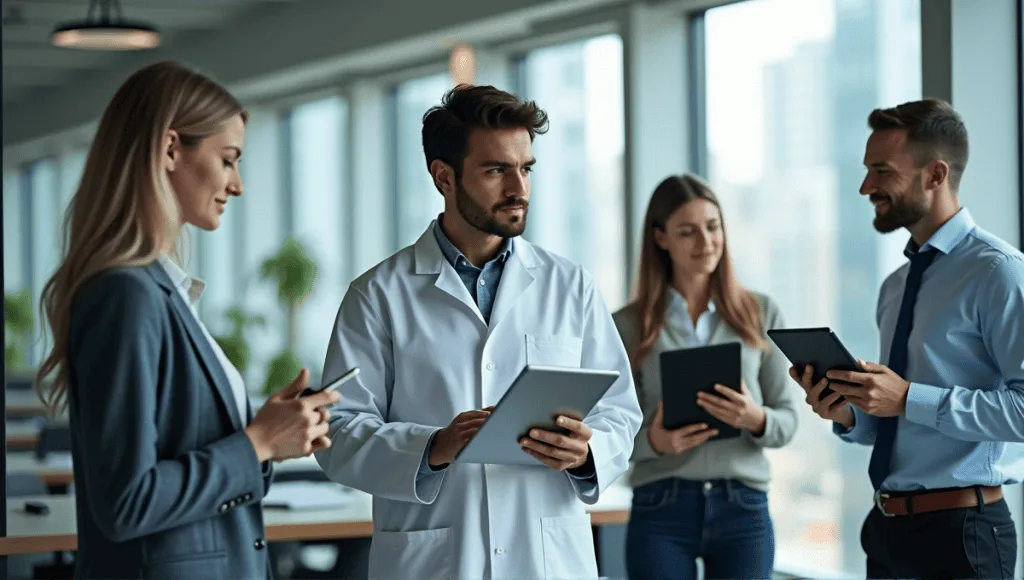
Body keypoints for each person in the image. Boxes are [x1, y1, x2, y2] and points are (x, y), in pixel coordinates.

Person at [314, 84, 642, 579]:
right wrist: (433, 446)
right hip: (436, 561)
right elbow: (338, 435)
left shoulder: (569, 286)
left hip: (546, 560)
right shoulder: (378, 295)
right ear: (444, 176)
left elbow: (619, 411)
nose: (519, 188)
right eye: (496, 170)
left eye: (526, 168)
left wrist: (586, 452)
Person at [34, 61, 339, 580]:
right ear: (171, 149)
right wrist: (258, 442)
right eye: (227, 160)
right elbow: (127, 502)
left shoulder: (158, 290)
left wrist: (267, 437)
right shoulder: (125, 295)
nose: (237, 185)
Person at [793, 98, 1024, 579]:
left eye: (881, 171)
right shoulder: (895, 286)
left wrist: (908, 398)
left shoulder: (997, 273)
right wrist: (849, 411)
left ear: (935, 175)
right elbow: (897, 420)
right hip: (887, 531)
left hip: (965, 534)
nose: (865, 187)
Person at [612, 174, 799, 580]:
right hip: (660, 507)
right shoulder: (627, 325)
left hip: (743, 508)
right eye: (688, 231)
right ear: (660, 238)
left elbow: (788, 420)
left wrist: (755, 418)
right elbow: (607, 430)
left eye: (713, 227)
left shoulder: (761, 313)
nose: (706, 242)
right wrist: (654, 442)